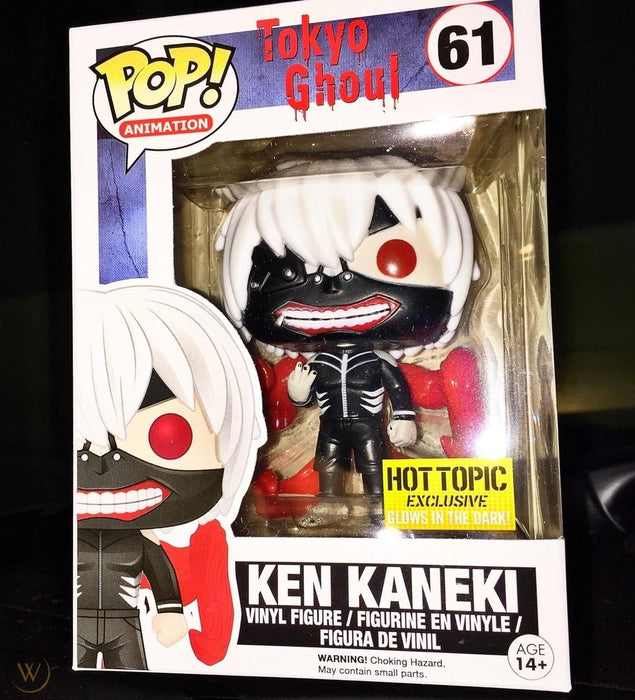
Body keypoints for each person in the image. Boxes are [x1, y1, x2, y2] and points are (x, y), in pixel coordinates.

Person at [75, 282, 265, 668]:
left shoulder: (170, 541)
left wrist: (171, 611)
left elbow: (164, 574)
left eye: (166, 435)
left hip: (127, 627)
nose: (101, 463)